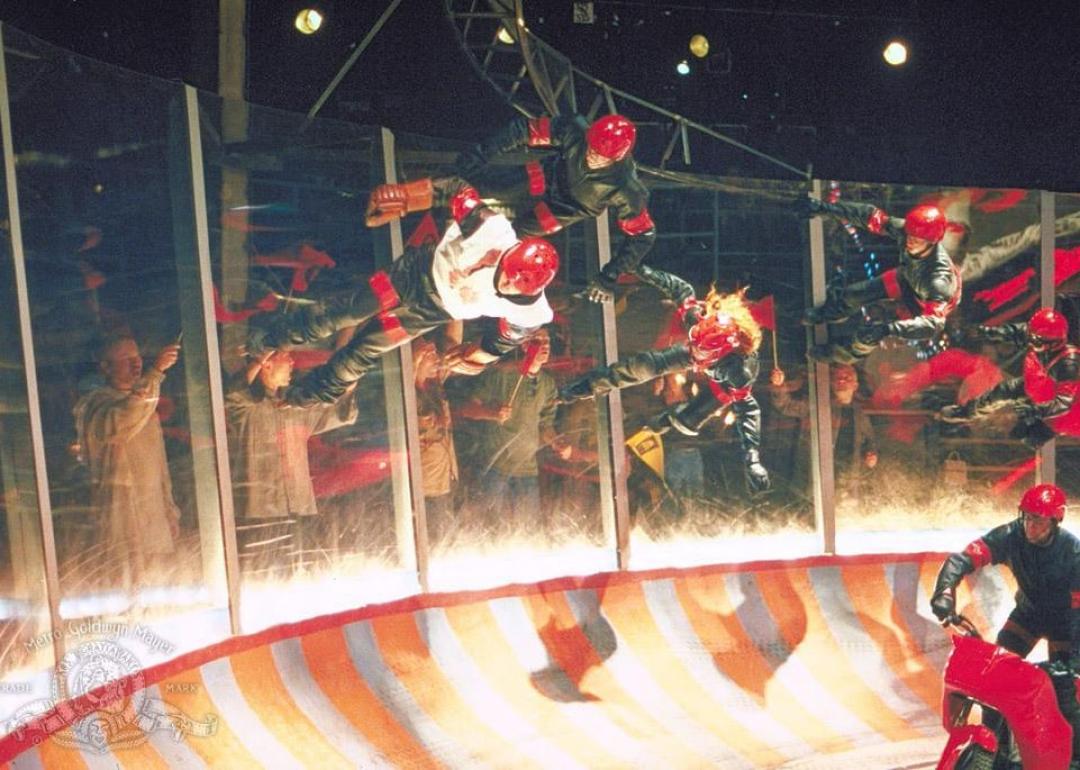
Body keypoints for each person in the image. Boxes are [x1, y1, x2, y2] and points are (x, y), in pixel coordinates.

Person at [250, 184, 559, 406]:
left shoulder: (531, 312)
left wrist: (473, 357)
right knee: (351, 310)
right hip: (414, 273)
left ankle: (304, 396)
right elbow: (454, 189)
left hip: (432, 311)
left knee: (368, 347)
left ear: (526, 291)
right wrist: (401, 198)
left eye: (510, 285)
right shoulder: (493, 229)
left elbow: (499, 343)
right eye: (504, 270)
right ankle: (270, 339)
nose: (502, 280)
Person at [366, 113, 654, 303]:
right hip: (550, 174)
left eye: (600, 156)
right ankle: (407, 199)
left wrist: (610, 275)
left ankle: (471, 274)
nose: (591, 157)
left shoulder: (628, 189)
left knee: (515, 238)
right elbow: (522, 130)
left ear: (617, 158)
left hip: (568, 206)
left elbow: (643, 235)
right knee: (488, 186)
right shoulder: (576, 130)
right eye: (590, 148)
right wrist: (481, 154)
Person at [559, 277, 770, 495]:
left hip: (708, 400)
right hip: (681, 374)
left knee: (689, 419)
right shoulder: (690, 334)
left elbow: (745, 409)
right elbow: (681, 290)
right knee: (647, 368)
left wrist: (752, 458)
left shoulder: (731, 374)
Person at [930, 483, 1080, 761]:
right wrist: (944, 592)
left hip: (1066, 624)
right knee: (994, 678)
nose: (1030, 526)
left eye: (1038, 520)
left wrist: (1075, 663)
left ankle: (1073, 758)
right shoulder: (1010, 535)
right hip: (1028, 615)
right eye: (1027, 517)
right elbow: (962, 560)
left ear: (1055, 521)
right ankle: (995, 749)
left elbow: (1078, 614)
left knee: (1068, 692)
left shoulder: (1073, 552)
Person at [224, 349, 358, 575]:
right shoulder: (246, 408)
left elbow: (341, 414)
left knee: (300, 574)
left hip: (299, 509)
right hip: (260, 512)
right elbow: (232, 395)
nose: (291, 361)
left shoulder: (295, 405)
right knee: (260, 576)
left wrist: (349, 382)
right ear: (267, 364)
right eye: (284, 356)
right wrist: (259, 358)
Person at [73, 333, 182, 586]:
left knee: (156, 582)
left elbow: (159, 465)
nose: (137, 363)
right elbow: (123, 420)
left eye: (138, 357)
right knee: (124, 580)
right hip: (122, 512)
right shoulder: (96, 405)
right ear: (105, 367)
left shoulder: (145, 404)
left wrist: (169, 509)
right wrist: (155, 373)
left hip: (153, 511)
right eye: (126, 358)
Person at [798, 196, 961, 364]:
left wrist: (888, 330)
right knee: (854, 294)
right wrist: (825, 208)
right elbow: (870, 216)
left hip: (921, 303)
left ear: (931, 242)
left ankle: (846, 354)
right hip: (907, 277)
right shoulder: (907, 231)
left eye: (917, 240)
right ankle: (830, 313)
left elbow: (933, 324)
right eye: (909, 236)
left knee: (869, 334)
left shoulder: (938, 280)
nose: (910, 242)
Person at [458, 329, 569, 530]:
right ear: (525, 345)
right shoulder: (501, 375)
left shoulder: (547, 384)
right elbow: (467, 409)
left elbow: (545, 425)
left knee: (527, 526)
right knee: (489, 525)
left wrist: (557, 443)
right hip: (495, 466)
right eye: (538, 340)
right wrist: (491, 413)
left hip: (527, 468)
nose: (545, 345)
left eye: (547, 340)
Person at [939, 307, 1080, 448]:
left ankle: (1015, 440)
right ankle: (966, 411)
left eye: (1035, 341)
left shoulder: (1067, 364)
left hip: (1062, 414)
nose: (1030, 342)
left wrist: (1031, 410)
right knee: (1001, 391)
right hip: (1036, 385)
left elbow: (1063, 403)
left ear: (1053, 343)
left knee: (1023, 434)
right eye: (1030, 336)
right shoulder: (1038, 336)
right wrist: (985, 332)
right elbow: (1012, 332)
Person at [770, 363, 878, 472]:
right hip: (817, 476)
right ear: (831, 383)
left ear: (855, 386)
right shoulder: (817, 405)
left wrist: (871, 455)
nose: (841, 380)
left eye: (846, 377)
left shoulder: (860, 415)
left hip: (848, 477)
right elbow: (786, 405)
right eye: (837, 377)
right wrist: (779, 385)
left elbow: (870, 442)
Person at [412, 339, 459, 543]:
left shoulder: (434, 388)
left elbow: (453, 342)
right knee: (434, 542)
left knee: (446, 539)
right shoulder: (407, 394)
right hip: (426, 487)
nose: (436, 359)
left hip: (445, 479)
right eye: (428, 354)